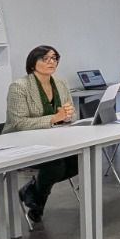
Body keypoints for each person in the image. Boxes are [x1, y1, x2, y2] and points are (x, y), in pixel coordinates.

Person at [5, 44, 78, 228]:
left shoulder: (60, 83)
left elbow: (71, 114)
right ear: (32, 63)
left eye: (54, 58)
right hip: (20, 142)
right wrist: (54, 118)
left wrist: (68, 115)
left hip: (53, 140)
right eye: (45, 59)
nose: (51, 62)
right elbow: (19, 123)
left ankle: (33, 191)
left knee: (77, 160)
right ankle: (37, 199)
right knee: (55, 165)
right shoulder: (19, 86)